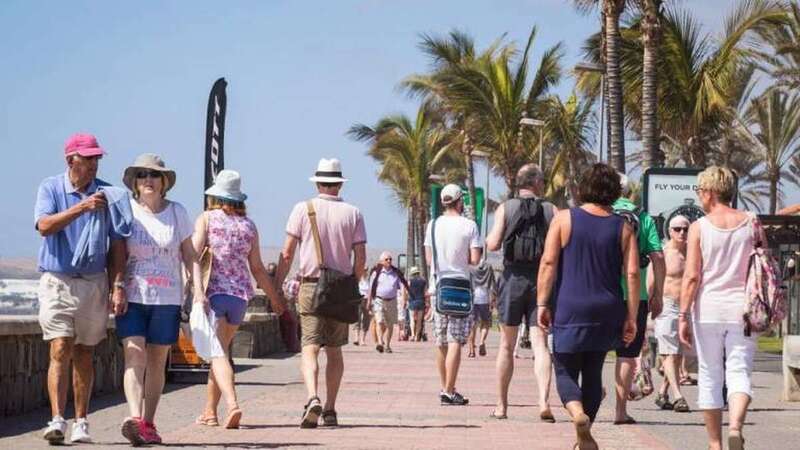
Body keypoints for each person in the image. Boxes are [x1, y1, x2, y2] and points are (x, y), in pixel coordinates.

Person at [537, 163, 639, 450]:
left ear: (584, 188)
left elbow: (548, 263)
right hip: (607, 308)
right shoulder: (624, 227)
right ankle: (586, 432)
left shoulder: (564, 219)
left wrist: (542, 302)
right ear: (614, 192)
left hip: (570, 306)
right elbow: (631, 274)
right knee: (593, 372)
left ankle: (577, 415)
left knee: (564, 369)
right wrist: (630, 315)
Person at [35, 133, 128, 444]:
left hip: (93, 282)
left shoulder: (108, 194)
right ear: (70, 159)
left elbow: (117, 244)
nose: (93, 163)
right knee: (59, 347)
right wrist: (81, 208)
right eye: (88, 158)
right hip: (57, 280)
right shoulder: (50, 187)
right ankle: (57, 419)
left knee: (84, 352)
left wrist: (117, 284)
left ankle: (82, 421)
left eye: (96, 158)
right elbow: (45, 226)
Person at [276, 158, 367, 428]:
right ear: (339, 184)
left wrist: (277, 287)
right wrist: (353, 282)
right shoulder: (354, 213)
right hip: (341, 287)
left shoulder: (302, 209)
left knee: (310, 347)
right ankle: (330, 409)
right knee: (336, 351)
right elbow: (360, 257)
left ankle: (312, 396)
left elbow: (287, 252)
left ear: (317, 183)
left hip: (311, 284)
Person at [114, 154, 198, 445]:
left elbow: (189, 254)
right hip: (133, 294)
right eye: (141, 175)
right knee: (133, 352)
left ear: (164, 183)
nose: (147, 180)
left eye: (153, 175)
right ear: (134, 183)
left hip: (168, 297)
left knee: (157, 360)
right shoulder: (127, 211)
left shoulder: (177, 212)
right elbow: (116, 253)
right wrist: (115, 286)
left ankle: (149, 421)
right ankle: (135, 418)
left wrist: (197, 290)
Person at [193, 170, 286, 430]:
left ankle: (232, 404)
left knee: (218, 354)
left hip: (214, 295)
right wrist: (275, 298)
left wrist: (195, 289)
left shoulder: (207, 219)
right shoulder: (249, 226)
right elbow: (257, 268)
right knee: (219, 351)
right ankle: (209, 412)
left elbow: (194, 253)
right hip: (240, 298)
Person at [679, 166, 759, 450]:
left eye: (700, 191)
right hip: (743, 308)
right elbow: (762, 263)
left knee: (710, 373)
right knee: (739, 371)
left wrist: (682, 315)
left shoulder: (699, 228)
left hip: (708, 309)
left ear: (711, 192)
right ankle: (735, 427)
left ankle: (715, 444)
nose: (699, 196)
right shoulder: (751, 221)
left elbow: (691, 276)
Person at [486, 164, 556, 421]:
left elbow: (493, 243)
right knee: (541, 344)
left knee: (507, 344)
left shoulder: (506, 208)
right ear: (537, 183)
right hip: (542, 280)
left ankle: (502, 406)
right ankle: (543, 402)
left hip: (512, 279)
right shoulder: (551, 210)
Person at [612, 174, 666, 425]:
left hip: (602, 294)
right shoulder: (642, 218)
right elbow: (658, 257)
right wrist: (657, 294)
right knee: (626, 354)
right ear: (629, 192)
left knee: (591, 352)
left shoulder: (600, 216)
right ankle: (620, 411)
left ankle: (589, 397)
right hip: (636, 297)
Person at [425, 184, 482, 406]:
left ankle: (446, 388)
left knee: (441, 341)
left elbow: (430, 260)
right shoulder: (470, 225)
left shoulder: (432, 225)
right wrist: (462, 260)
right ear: (460, 202)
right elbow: (475, 260)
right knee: (456, 339)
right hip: (461, 286)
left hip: (438, 286)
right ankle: (449, 390)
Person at [651, 215, 691, 413]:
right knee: (669, 353)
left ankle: (662, 393)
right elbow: (650, 283)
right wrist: (648, 311)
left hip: (686, 309)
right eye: (677, 229)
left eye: (685, 229)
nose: (682, 232)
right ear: (669, 231)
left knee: (677, 355)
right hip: (666, 306)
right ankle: (678, 396)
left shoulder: (693, 254)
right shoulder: (664, 253)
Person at [367, 251, 409, 353]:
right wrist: (369, 301)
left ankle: (388, 345)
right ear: (381, 261)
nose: (389, 261)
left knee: (390, 325)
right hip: (379, 300)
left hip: (392, 301)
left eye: (390, 259)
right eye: (386, 259)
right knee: (379, 321)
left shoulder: (396, 273)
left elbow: (402, 286)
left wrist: (404, 299)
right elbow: (371, 288)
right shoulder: (376, 273)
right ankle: (380, 343)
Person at [467, 260, 495, 358]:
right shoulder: (489, 266)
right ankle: (482, 341)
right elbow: (492, 284)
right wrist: (493, 299)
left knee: (472, 325)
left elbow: (468, 283)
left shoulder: (470, 267)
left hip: (473, 298)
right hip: (485, 298)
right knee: (485, 323)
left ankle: (471, 350)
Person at [406, 266, 429, 342]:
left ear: (412, 274)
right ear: (418, 273)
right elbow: (425, 292)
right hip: (421, 301)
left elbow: (407, 292)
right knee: (419, 320)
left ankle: (412, 335)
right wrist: (427, 302)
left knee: (412, 319)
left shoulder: (410, 281)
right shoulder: (423, 281)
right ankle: (417, 336)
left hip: (412, 301)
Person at [354, 266, 372, 346]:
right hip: (358, 299)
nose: (364, 272)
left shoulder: (369, 281)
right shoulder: (357, 280)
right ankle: (356, 338)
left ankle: (363, 339)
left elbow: (370, 292)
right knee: (357, 318)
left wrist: (370, 302)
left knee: (366, 319)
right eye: (363, 270)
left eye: (365, 270)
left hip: (366, 300)